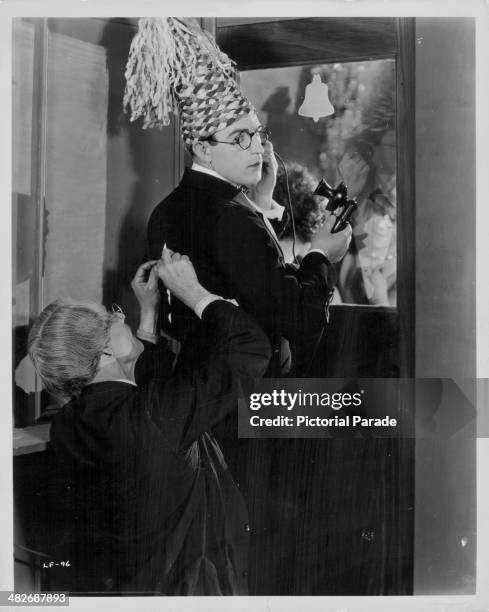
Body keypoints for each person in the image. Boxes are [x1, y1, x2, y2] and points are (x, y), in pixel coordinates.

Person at [27, 250, 270, 594]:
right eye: (112, 316)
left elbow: (145, 393)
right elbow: (251, 348)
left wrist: (150, 312)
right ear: (106, 352)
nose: (119, 314)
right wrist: (194, 293)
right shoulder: (154, 414)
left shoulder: (69, 424)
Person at [123, 19, 352, 376]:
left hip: (204, 389)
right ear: (201, 147)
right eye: (241, 137)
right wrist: (322, 254)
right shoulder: (232, 217)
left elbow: (237, 277)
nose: (258, 148)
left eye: (258, 134)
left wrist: (259, 202)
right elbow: (301, 325)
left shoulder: (167, 210)